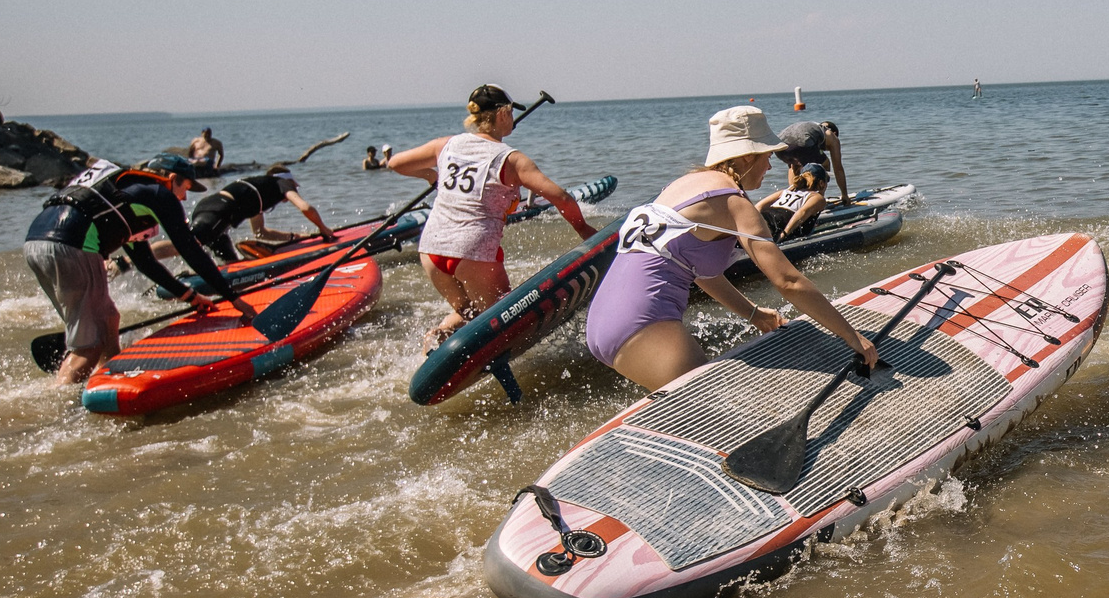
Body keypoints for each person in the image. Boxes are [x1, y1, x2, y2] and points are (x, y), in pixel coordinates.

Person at [582, 105, 882, 392]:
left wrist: (753, 314)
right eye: (765, 155)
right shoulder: (733, 202)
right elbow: (788, 281)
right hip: (644, 323)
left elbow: (699, 272)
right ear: (745, 157)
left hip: (602, 321)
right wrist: (851, 335)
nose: (769, 166)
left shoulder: (682, 186)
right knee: (717, 414)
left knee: (687, 419)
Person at [23, 154, 260, 385]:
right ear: (172, 177)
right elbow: (189, 249)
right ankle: (59, 408)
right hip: (72, 246)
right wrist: (233, 297)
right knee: (87, 347)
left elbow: (144, 261)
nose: (185, 198)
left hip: (35, 243)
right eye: (185, 187)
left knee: (108, 318)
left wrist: (189, 296)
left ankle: (110, 378)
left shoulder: (125, 192)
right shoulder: (158, 193)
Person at [385, 84, 594, 345]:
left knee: (470, 315)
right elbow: (561, 197)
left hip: (431, 248)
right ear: (504, 114)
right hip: (472, 251)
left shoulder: (446, 145)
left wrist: (433, 176)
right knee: (505, 324)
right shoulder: (511, 159)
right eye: (511, 113)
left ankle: (435, 340)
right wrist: (583, 229)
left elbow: (395, 163)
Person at [186, 163, 336, 260]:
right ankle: (162, 258)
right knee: (185, 243)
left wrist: (298, 237)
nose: (295, 190)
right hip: (218, 210)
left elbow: (260, 232)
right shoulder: (283, 183)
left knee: (232, 265)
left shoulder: (258, 191)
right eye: (295, 187)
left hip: (213, 210)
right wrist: (323, 228)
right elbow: (305, 207)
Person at [776, 117, 850, 200]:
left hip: (779, 147)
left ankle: (793, 197)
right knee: (825, 164)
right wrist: (844, 194)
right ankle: (818, 199)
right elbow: (838, 168)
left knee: (794, 167)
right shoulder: (831, 135)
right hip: (802, 143)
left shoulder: (813, 128)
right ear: (835, 133)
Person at [758, 163, 831, 242]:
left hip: (764, 217)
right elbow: (802, 212)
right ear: (822, 183)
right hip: (777, 224)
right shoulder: (817, 197)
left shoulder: (785, 191)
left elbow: (759, 206)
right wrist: (784, 234)